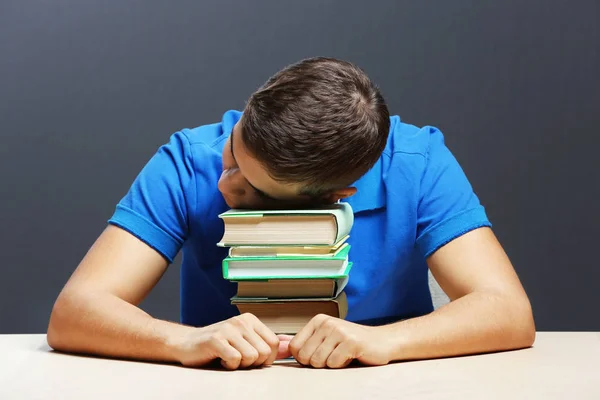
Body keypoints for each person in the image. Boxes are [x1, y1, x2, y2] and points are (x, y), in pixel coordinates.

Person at [47, 57, 535, 370]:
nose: (226, 183)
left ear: (336, 193)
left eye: (255, 187)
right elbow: (76, 312)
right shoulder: (186, 158)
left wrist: (385, 342)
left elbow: (507, 311)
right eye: (233, 155)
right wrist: (182, 343)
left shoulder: (418, 162)